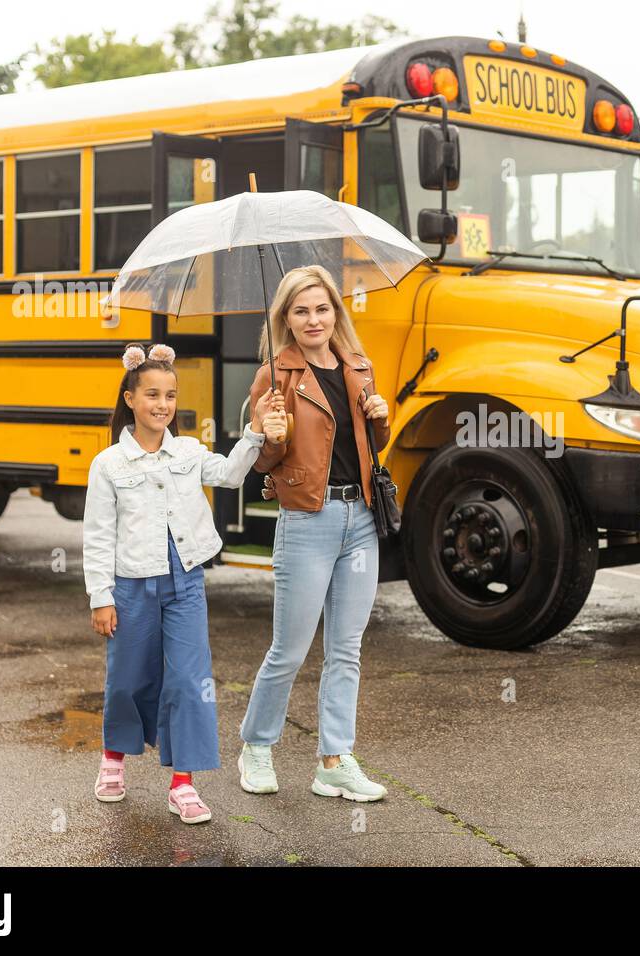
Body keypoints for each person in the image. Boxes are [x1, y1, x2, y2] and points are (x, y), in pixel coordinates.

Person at [83, 342, 284, 823]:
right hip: (131, 584)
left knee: (190, 681)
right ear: (130, 398)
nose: (162, 405)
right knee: (129, 677)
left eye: (170, 396)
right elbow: (96, 535)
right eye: (152, 394)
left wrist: (256, 430)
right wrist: (100, 597)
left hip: (186, 581)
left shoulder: (189, 451)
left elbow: (233, 475)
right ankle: (114, 758)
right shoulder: (109, 464)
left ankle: (183, 783)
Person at [237, 265, 391, 802]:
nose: (313, 319)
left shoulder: (358, 367)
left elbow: (373, 448)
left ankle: (334, 760)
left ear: (335, 313)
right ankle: (256, 747)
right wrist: (268, 433)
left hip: (361, 520)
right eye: (301, 310)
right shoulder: (274, 377)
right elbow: (263, 463)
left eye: (321, 308)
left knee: (346, 648)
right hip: (307, 517)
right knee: (290, 648)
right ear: (286, 318)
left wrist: (380, 416)